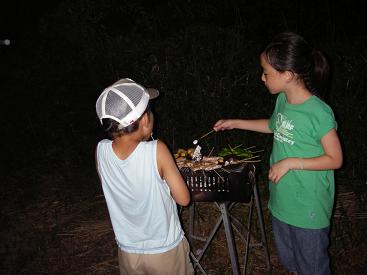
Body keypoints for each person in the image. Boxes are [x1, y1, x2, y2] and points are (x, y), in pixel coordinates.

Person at [213, 32, 343, 275]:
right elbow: (273, 126)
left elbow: (336, 159)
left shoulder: (319, 112)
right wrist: (235, 122)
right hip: (283, 201)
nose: (262, 78)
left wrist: (291, 162)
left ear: (287, 75)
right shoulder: (283, 99)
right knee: (291, 263)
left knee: (313, 268)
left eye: (266, 72)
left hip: (308, 207)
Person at [95, 78, 194, 275]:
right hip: (164, 251)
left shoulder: (101, 150)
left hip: (128, 252)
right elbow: (184, 199)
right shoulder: (157, 150)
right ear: (145, 119)